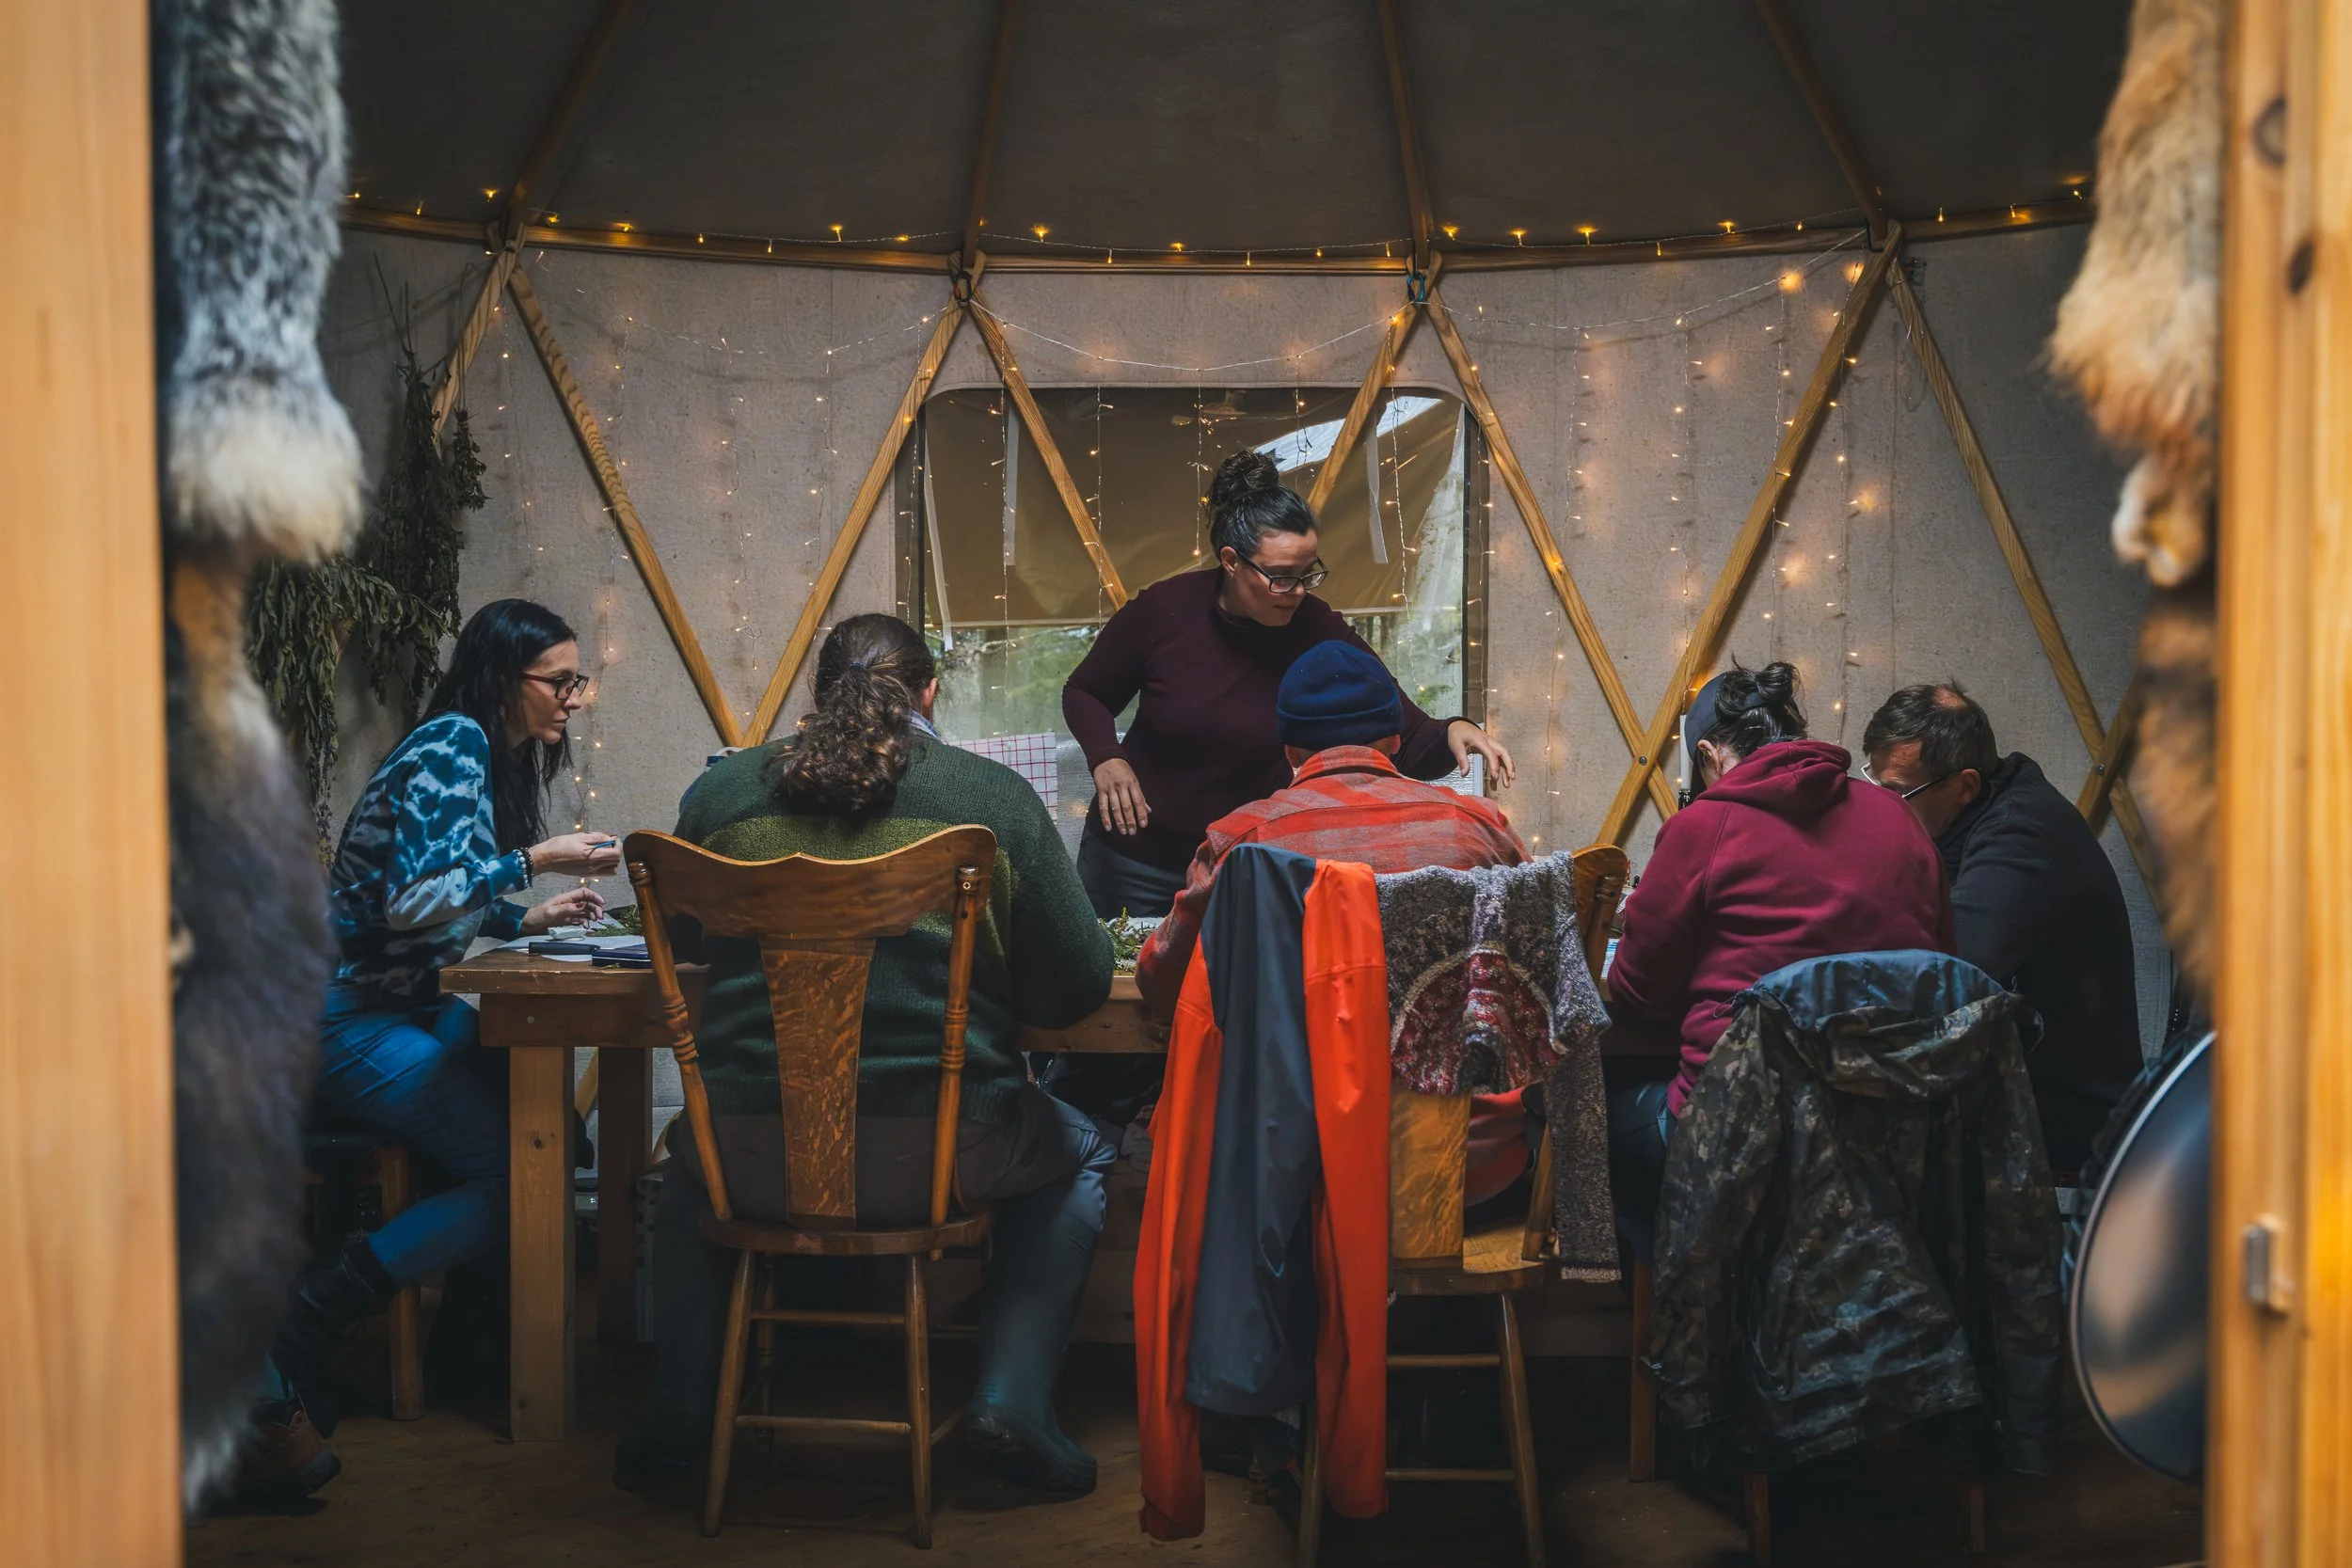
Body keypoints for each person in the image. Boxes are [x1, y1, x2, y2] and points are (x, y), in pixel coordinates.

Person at [619, 613, 1118, 1496]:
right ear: (930, 691)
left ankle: (678, 1413)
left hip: (752, 1155)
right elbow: (1079, 984)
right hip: (938, 1155)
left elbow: (693, 941)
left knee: (687, 1168)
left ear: (820, 692)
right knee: (1079, 1151)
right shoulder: (992, 801)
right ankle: (1012, 1403)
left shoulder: (724, 798)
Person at [1057, 448, 1515, 1122]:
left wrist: (1454, 730)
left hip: (1243, 868)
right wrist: (1106, 756)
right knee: (1118, 1030)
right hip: (1133, 859)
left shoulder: (1315, 626)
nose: (1298, 592)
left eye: (1308, 573)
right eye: (1280, 577)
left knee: (1225, 1023)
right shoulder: (1163, 613)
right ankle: (1100, 1162)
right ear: (1231, 561)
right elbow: (1086, 691)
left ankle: (1195, 1151)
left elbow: (1395, 727)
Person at [275, 600, 618, 1419]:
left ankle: (469, 1346)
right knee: (519, 1172)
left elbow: (439, 898)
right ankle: (313, 1313)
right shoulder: (455, 743)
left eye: (579, 683)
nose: (572, 699)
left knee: (538, 1115)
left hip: (397, 1007)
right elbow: (412, 900)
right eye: (559, 682)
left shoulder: (476, 750)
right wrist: (534, 859)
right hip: (344, 1019)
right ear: (505, 678)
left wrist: (531, 916)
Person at [1134, 640, 1536, 1209]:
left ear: (1291, 748)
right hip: (1470, 1171)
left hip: (1295, 1182)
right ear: (1396, 740)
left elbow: (1164, 984)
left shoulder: (1242, 842)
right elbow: (1535, 977)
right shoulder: (1479, 826)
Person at [1604, 661, 1952, 1257]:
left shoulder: (1702, 827)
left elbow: (1640, 995)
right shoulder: (1899, 819)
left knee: (1577, 1117)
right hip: (1888, 1134)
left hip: (1741, 1134)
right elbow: (1942, 966)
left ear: (1710, 755)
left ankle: (1679, 1302)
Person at [1863, 682, 2142, 1169]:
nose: (1880, 809)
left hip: (2063, 1121)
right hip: (2000, 1092)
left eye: (1897, 794)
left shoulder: (2023, 830)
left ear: (1966, 785)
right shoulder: (1957, 819)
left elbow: (1953, 967)